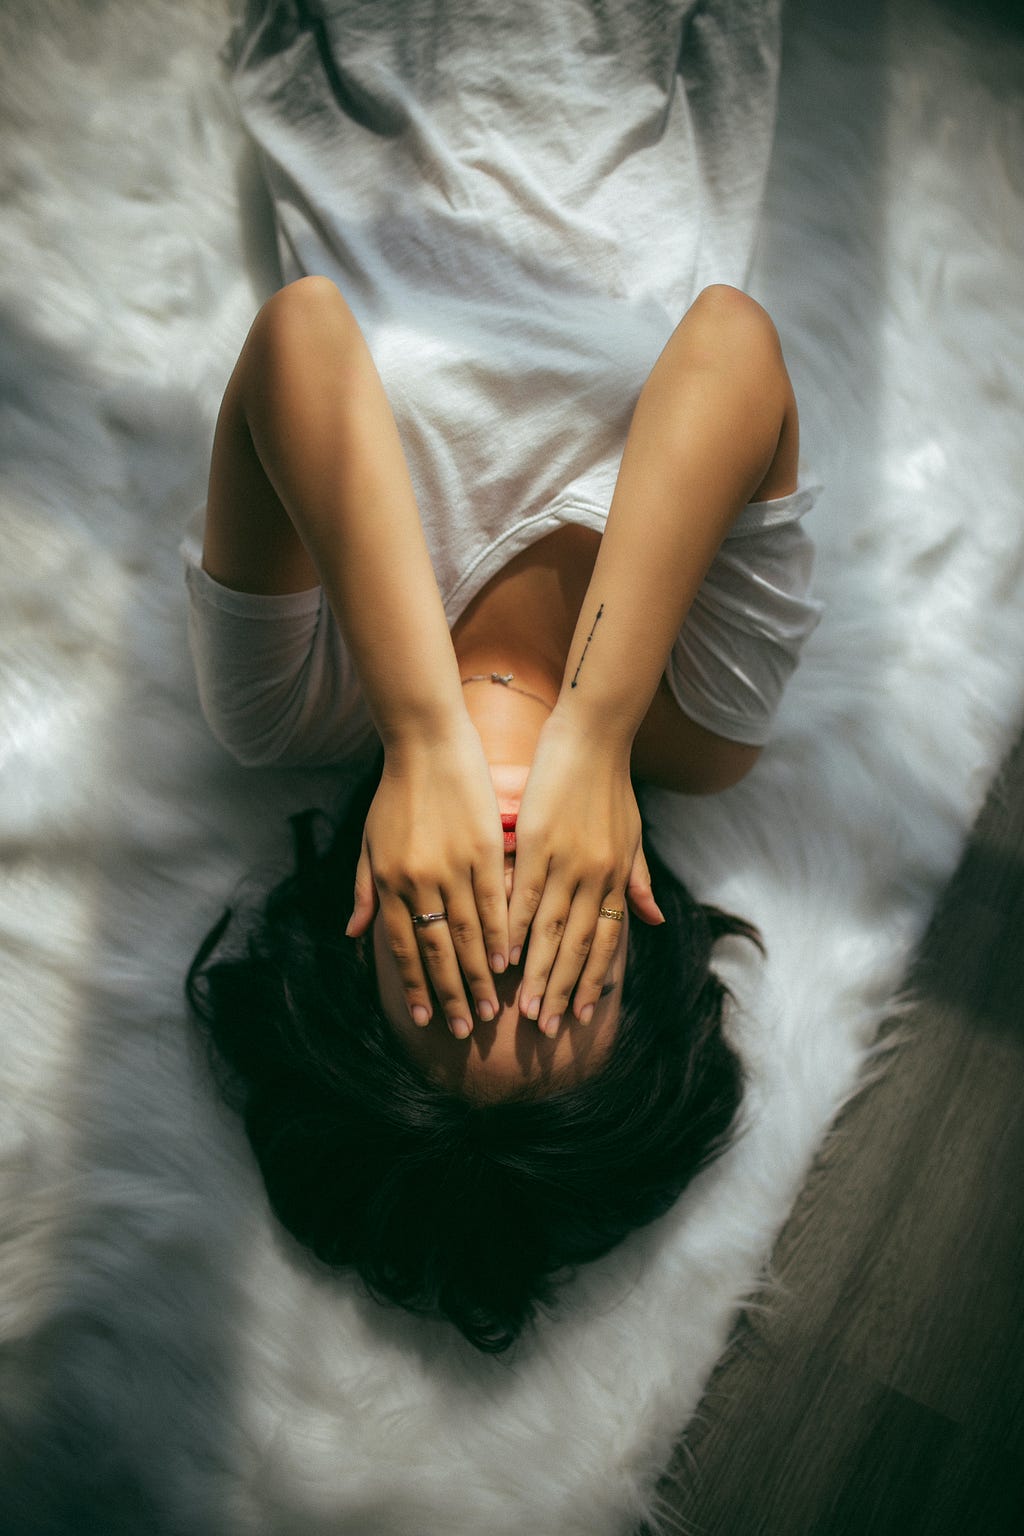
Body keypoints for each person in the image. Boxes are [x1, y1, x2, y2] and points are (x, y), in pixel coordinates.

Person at [183, 275, 821, 1351]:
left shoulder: (285, 703)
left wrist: (425, 730)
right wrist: (597, 724)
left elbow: (302, 330)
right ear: (638, 933)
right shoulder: (704, 728)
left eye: (456, 972)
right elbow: (730, 341)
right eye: (561, 967)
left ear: (358, 937)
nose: (509, 908)